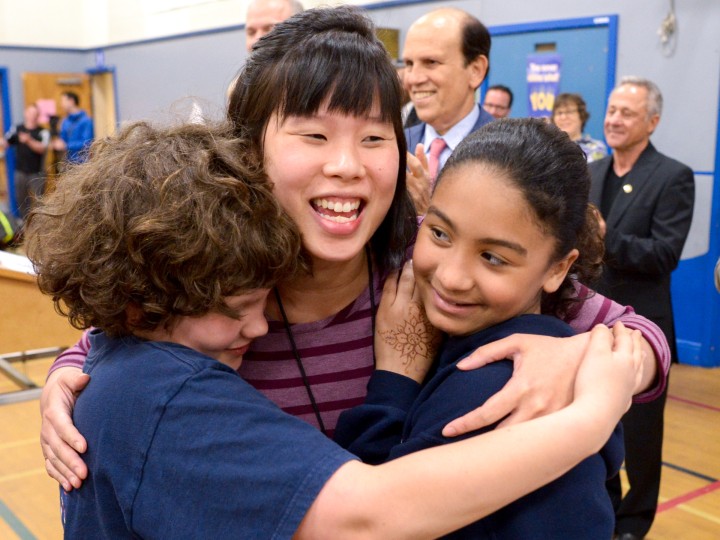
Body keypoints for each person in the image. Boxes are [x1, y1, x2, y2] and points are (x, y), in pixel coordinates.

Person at [40, 6, 669, 495]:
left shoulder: (430, 274)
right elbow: (121, 331)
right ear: (246, 149)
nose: (346, 166)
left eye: (374, 137)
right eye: (313, 134)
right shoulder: (212, 287)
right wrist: (73, 371)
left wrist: (588, 356)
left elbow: (639, 336)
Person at [25, 119, 644, 538]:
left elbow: (626, 330)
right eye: (440, 232)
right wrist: (592, 416)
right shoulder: (168, 392)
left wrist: (626, 353)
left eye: (494, 256)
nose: (260, 325)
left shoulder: (509, 351)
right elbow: (372, 514)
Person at [337, 119, 622, 539]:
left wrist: (393, 385)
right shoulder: (556, 350)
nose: (452, 277)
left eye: (493, 258)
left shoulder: (491, 389)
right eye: (439, 233)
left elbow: (368, 521)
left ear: (559, 267)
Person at [589, 76, 695, 540]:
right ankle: (607, 514)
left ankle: (634, 526)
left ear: (652, 121)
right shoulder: (591, 172)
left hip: (643, 334)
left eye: (626, 113)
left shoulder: (673, 176)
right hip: (591, 328)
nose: (613, 119)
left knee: (642, 440)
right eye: (611, 110)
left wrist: (602, 236)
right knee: (596, 429)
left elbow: (663, 254)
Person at [403, 7, 495, 213]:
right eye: (409, 64)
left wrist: (428, 213)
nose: (414, 78)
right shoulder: (395, 146)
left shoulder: (514, 157)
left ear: (476, 71)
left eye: (431, 62)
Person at [0, 103, 49, 220]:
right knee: (21, 201)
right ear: (25, 114)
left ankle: (40, 225)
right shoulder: (17, 129)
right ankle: (25, 224)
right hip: (20, 172)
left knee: (39, 202)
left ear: (37, 116)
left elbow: (42, 148)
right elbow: (5, 142)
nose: (32, 116)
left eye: (34, 114)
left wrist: (28, 140)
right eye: (30, 113)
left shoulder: (42, 132)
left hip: (37, 173)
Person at [552, 92, 608, 163]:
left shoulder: (596, 148)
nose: (563, 117)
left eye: (569, 112)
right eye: (559, 113)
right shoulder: (546, 148)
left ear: (581, 116)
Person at [50, 91, 94, 164]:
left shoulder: (87, 121)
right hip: (69, 163)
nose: (61, 105)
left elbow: (87, 143)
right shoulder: (65, 121)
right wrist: (57, 143)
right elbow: (63, 141)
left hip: (83, 164)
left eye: (63, 101)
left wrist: (66, 145)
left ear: (71, 101)